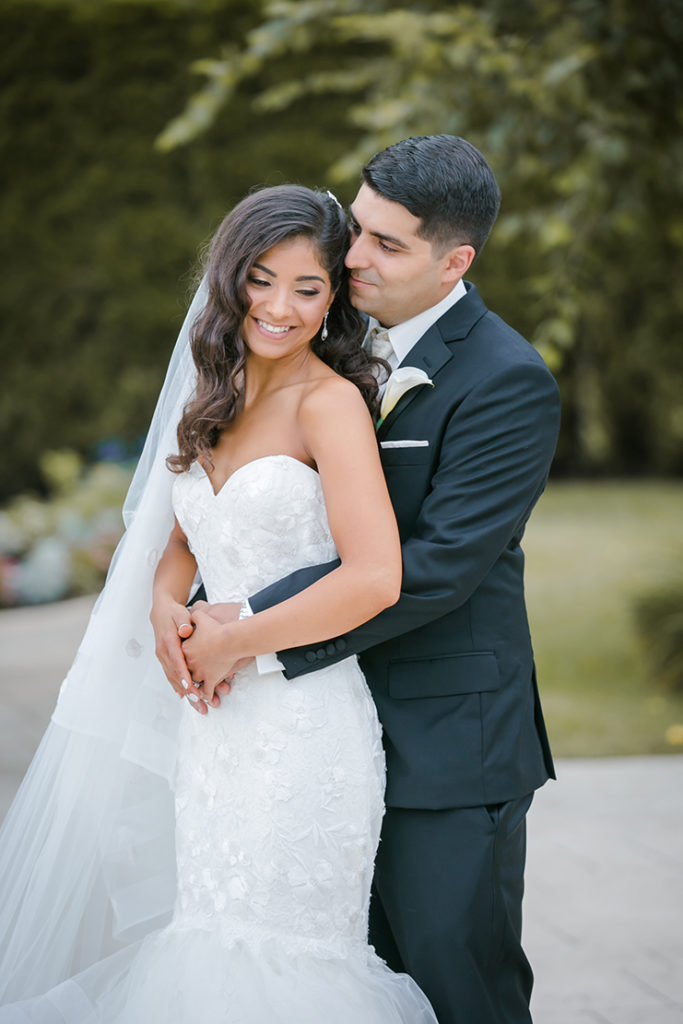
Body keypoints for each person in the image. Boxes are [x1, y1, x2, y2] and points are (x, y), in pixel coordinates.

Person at [0, 185, 439, 1023]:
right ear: (229, 277)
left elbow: (374, 577)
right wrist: (169, 612)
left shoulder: (330, 404)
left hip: (304, 725)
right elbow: (176, 546)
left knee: (285, 953)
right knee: (209, 929)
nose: (279, 307)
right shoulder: (215, 394)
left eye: (307, 289)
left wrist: (236, 643)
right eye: (261, 280)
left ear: (332, 297)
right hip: (215, 732)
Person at [164, 136, 562, 1024]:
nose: (352, 257)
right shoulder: (323, 344)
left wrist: (243, 633)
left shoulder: (506, 380)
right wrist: (182, 604)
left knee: (455, 986)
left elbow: (432, 570)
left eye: (386, 244)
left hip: (445, 740)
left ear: (453, 259)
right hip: (307, 738)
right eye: (358, 229)